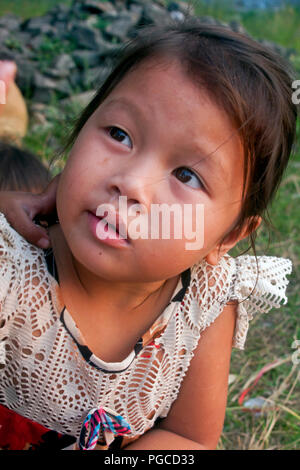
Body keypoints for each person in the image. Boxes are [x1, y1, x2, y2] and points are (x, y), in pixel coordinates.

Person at [0, 18, 297, 450]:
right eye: (119, 135)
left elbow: (187, 438)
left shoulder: (206, 306)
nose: (132, 183)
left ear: (227, 236)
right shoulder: (11, 269)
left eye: (186, 175)